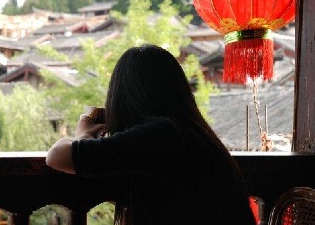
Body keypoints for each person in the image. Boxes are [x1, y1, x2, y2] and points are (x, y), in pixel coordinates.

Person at [46, 44, 256, 225]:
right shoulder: (190, 132)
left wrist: (83, 132)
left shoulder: (160, 136)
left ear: (124, 98)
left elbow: (56, 156)